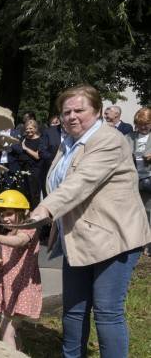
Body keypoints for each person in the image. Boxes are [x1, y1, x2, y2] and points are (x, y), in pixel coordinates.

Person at [30, 84, 151, 357]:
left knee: (107, 311)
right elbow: (58, 181)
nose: (71, 116)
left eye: (79, 110)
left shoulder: (108, 140)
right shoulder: (69, 143)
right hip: (78, 237)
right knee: (74, 309)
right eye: (66, 112)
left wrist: (46, 208)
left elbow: (81, 182)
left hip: (114, 237)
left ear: (97, 111)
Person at [0, 190, 42, 351]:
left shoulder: (29, 229)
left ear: (24, 212)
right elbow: (6, 260)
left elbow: (20, 241)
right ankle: (19, 351)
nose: (5, 218)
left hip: (22, 289)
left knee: (6, 332)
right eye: (2, 214)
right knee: (7, 330)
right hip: (9, 287)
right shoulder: (8, 233)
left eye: (9, 213)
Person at [126, 108, 151, 255]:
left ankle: (148, 244)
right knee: (134, 212)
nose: (143, 127)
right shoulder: (129, 136)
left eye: (146, 124)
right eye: (140, 124)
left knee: (149, 211)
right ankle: (136, 242)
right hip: (132, 180)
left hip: (149, 180)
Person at [15, 119, 52, 209]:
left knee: (34, 194)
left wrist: (25, 148)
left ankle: (35, 212)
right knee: (23, 192)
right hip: (23, 169)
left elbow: (37, 156)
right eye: (27, 128)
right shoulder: (23, 139)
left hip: (35, 171)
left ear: (36, 128)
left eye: (31, 128)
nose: (28, 130)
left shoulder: (41, 140)